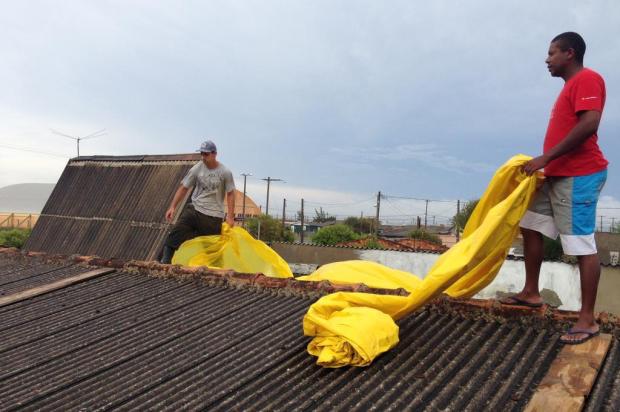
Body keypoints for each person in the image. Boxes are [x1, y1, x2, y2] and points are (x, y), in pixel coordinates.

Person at [501, 32, 608, 344]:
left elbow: (590, 123)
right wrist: (548, 166)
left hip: (580, 176)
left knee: (580, 245)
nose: (547, 60)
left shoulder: (588, 79)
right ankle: (531, 292)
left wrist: (545, 157)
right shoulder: (569, 88)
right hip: (558, 176)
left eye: (552, 53)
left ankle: (586, 320)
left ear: (569, 54)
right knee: (530, 225)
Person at [160, 140, 236, 264]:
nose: (203, 157)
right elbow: (184, 187)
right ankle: (166, 261)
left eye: (206, 154)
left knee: (212, 249)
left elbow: (231, 193)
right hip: (195, 210)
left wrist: (231, 217)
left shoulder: (225, 172)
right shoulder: (197, 168)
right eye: (201, 154)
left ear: (214, 154)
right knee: (177, 231)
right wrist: (172, 207)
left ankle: (217, 273)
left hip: (213, 216)